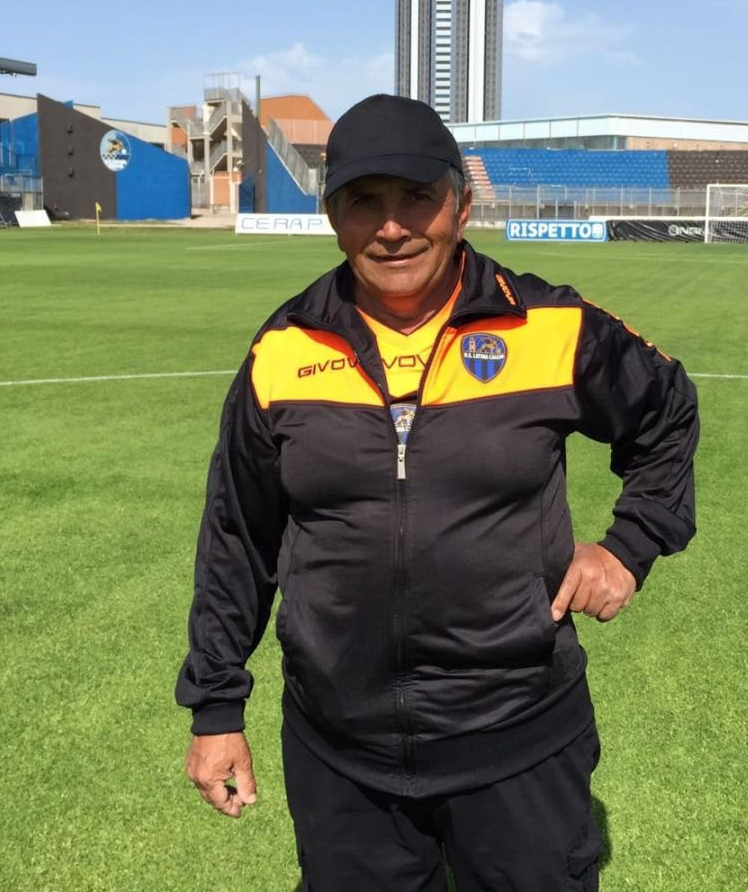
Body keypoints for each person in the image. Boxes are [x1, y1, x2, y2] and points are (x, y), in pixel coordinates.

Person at [177, 94, 699, 891]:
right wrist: (216, 709)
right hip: (340, 755)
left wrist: (629, 547)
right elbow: (237, 538)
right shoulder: (282, 351)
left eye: (416, 197)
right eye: (364, 201)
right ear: (332, 217)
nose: (392, 227)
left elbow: (667, 412)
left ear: (462, 205)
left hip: (518, 738)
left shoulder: (550, 326)